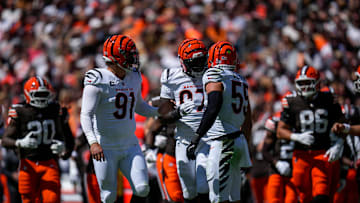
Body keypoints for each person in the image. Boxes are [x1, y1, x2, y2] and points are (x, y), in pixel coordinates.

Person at [79, 34, 160, 203]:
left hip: (130, 144)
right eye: (129, 54)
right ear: (117, 57)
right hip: (106, 145)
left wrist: (158, 112)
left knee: (142, 188)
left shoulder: (134, 76)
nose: (133, 58)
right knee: (108, 196)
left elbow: (139, 106)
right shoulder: (98, 79)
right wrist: (93, 142)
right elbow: (86, 114)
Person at [186, 41, 252, 203]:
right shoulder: (241, 80)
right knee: (234, 197)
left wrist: (196, 137)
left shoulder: (214, 74)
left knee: (217, 198)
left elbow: (213, 107)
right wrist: (246, 146)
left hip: (223, 143)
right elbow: (248, 119)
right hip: (239, 141)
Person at [277, 65, 345, 202]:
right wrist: (296, 136)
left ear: (317, 83)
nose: (304, 86)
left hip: (322, 152)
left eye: (307, 82)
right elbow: (280, 131)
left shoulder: (328, 98)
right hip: (301, 155)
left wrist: (339, 144)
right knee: (304, 196)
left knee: (321, 195)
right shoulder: (292, 101)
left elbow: (342, 124)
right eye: (301, 83)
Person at [159, 38, 210, 203]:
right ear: (183, 62)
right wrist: (178, 113)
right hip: (183, 140)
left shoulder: (212, 75)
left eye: (202, 60)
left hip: (208, 139)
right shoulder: (171, 76)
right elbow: (163, 116)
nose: (199, 65)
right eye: (194, 62)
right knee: (188, 192)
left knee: (204, 186)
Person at [2, 76, 67, 203]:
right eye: (38, 94)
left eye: (44, 94)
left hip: (49, 162)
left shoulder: (54, 109)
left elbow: (61, 135)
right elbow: (5, 140)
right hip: (28, 163)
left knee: (52, 199)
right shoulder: (20, 111)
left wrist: (62, 145)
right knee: (28, 200)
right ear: (27, 94)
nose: (42, 98)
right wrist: (19, 143)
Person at [262, 112, 297, 203]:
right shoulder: (275, 123)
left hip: (292, 172)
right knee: (274, 199)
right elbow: (264, 151)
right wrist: (276, 163)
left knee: (291, 200)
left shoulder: (299, 122)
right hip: (276, 170)